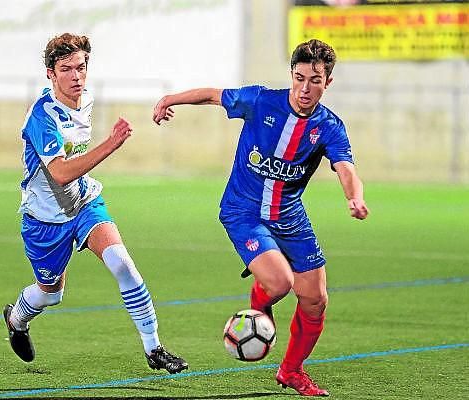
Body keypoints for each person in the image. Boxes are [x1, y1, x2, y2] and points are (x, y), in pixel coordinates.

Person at [153, 39, 369, 396]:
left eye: (315, 80)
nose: (305, 88)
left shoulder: (330, 126)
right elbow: (213, 96)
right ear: (291, 74)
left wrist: (355, 197)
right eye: (299, 78)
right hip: (243, 212)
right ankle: (262, 297)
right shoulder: (260, 101)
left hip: (290, 217)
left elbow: (345, 167)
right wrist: (169, 99)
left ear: (327, 82)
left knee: (316, 299)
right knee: (281, 282)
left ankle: (291, 371)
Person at [2, 33, 187, 374]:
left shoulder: (85, 99)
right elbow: (59, 173)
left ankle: (154, 348)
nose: (76, 76)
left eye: (81, 67)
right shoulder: (42, 116)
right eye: (66, 69)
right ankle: (17, 320)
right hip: (45, 218)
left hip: (85, 202)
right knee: (51, 294)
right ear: (50, 74)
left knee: (122, 263)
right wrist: (111, 144)